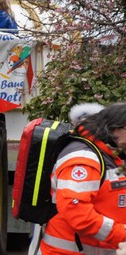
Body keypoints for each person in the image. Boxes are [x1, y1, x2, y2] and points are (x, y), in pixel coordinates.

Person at [39, 102, 126, 254]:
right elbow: (77, 211)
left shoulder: (111, 154)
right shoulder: (84, 158)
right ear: (115, 129)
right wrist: (121, 235)